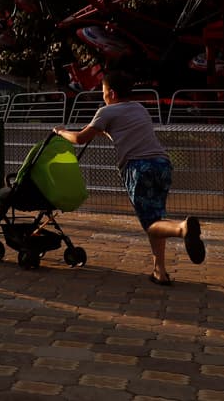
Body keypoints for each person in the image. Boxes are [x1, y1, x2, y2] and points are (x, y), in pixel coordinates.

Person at [56, 69, 205, 285]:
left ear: (113, 94)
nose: (103, 96)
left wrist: (61, 131)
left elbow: (79, 138)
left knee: (152, 223)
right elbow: (122, 131)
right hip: (162, 164)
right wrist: (102, 130)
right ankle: (159, 271)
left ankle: (182, 228)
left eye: (104, 92)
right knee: (157, 216)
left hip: (138, 168)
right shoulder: (139, 108)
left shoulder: (106, 112)